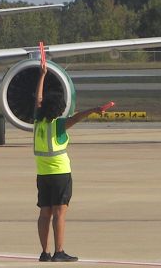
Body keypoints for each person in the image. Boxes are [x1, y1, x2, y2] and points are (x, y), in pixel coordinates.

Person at [34, 62, 112, 262]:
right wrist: (94, 109)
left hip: (42, 175)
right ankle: (59, 252)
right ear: (59, 109)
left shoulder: (37, 122)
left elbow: (38, 100)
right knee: (60, 213)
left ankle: (45, 252)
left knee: (45, 214)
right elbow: (77, 117)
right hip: (60, 174)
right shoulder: (59, 125)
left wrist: (42, 76)